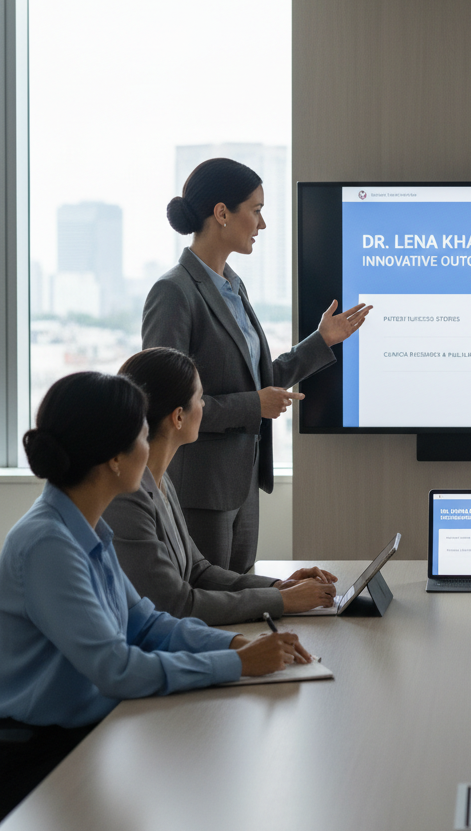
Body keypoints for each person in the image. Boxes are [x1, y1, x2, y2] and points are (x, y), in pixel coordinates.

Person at [0, 372, 311, 821]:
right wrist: (238, 665)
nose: (149, 451)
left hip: (85, 731)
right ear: (113, 459)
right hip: (41, 754)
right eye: (143, 436)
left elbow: (145, 623)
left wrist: (234, 645)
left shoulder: (84, 526)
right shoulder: (48, 544)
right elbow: (117, 668)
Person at [143, 157, 371, 573]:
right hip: (201, 491)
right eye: (257, 210)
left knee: (243, 611)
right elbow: (164, 407)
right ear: (222, 213)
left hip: (243, 487)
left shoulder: (234, 286)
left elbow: (260, 380)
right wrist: (254, 406)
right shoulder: (174, 292)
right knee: (210, 612)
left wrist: (321, 341)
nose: (262, 225)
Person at [105, 348, 338, 624]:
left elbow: (198, 571)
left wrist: (278, 586)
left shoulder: (160, 479)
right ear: (178, 417)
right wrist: (283, 601)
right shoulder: (126, 497)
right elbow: (177, 604)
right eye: (200, 398)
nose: (204, 406)